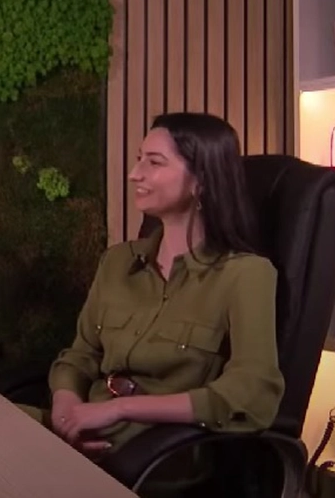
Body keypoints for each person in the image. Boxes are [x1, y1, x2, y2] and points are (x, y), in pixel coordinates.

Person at [41, 112, 284, 491]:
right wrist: (65, 411)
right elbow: (80, 356)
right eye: (139, 159)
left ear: (201, 181)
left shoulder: (246, 274)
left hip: (154, 454)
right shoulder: (117, 261)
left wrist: (119, 408)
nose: (134, 174)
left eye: (154, 163)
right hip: (81, 429)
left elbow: (252, 393)